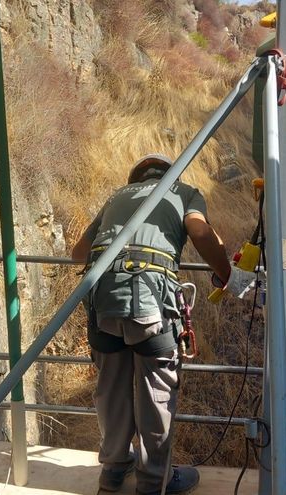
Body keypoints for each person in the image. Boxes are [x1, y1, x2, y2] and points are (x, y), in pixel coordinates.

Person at [71, 153, 254, 495]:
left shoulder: (116, 197)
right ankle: (154, 482)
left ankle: (112, 472)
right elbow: (199, 231)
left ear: (136, 178)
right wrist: (228, 275)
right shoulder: (184, 192)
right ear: (172, 175)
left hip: (103, 303)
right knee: (156, 396)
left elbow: (77, 253)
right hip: (151, 304)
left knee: (111, 392)